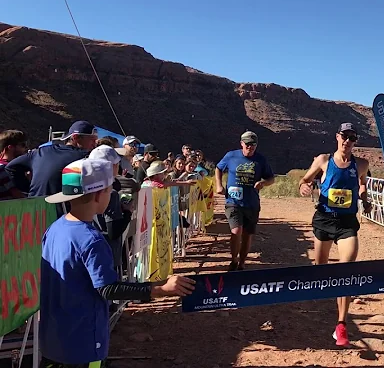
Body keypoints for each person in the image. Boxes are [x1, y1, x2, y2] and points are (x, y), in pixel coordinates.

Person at [40, 158, 195, 367]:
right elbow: (108, 289)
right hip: (83, 342)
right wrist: (160, 289)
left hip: (53, 338)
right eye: (109, 191)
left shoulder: (55, 229)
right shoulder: (92, 239)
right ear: (97, 194)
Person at [298, 122, 372, 347]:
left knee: (346, 270)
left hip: (347, 223)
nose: (348, 141)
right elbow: (305, 179)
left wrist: (365, 199)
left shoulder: (362, 164)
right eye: (344, 136)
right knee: (321, 270)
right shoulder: (323, 160)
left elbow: (361, 185)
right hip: (324, 219)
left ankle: (341, 325)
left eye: (352, 137)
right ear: (337, 137)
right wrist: (304, 187)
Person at [5, 120, 97, 216]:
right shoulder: (84, 157)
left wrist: (30, 189)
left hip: (32, 208)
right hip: (60, 212)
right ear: (75, 137)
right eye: (92, 140)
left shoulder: (41, 152)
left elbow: (11, 167)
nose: (94, 144)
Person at [215, 131, 275, 271]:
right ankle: (233, 260)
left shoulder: (261, 160)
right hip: (233, 202)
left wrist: (263, 183)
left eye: (253, 144)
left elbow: (271, 178)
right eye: (247, 144)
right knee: (236, 231)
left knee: (248, 235)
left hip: (251, 203)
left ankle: (242, 262)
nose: (250, 147)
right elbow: (218, 168)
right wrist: (218, 185)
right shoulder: (231, 156)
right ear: (241, 143)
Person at [0, 129, 28, 200]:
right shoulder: (3, 169)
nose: (25, 148)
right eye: (22, 145)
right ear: (10, 147)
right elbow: (17, 195)